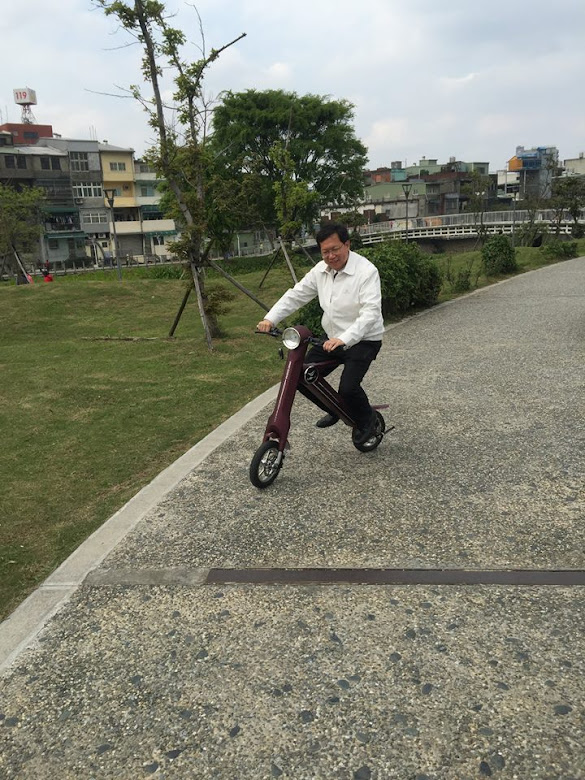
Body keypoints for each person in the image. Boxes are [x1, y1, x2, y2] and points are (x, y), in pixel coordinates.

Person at [256, 222, 384, 444]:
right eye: (325, 251)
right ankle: (334, 409)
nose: (331, 256)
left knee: (348, 388)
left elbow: (370, 313)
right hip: (330, 340)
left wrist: (344, 339)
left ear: (347, 245)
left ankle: (367, 421)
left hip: (363, 340)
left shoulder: (366, 271)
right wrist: (271, 318)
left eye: (335, 249)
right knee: (300, 376)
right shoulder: (320, 271)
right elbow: (296, 295)